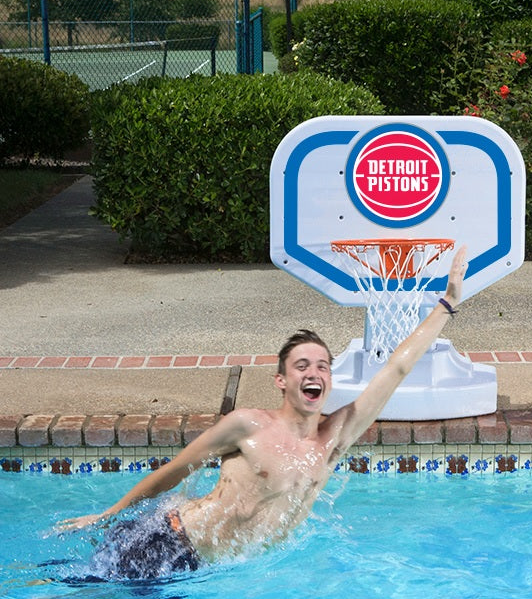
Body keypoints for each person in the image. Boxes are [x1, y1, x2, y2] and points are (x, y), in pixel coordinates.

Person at [58, 248, 468, 580]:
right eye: (302, 366)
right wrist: (108, 514)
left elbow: (396, 368)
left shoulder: (333, 440)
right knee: (66, 596)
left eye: (323, 365)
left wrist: (446, 304)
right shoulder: (248, 425)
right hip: (168, 540)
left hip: (200, 569)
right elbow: (177, 470)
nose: (314, 373)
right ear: (282, 381)